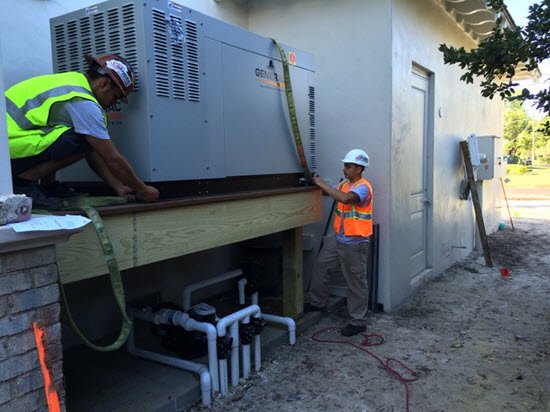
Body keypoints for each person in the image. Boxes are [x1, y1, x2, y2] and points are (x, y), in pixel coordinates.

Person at [6, 53, 159, 209]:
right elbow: (112, 159)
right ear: (105, 83)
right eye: (116, 97)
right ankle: (23, 184)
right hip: (7, 154)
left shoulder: (73, 81)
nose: (114, 103)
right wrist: (143, 190)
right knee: (81, 138)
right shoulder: (84, 103)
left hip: (9, 147)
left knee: (76, 135)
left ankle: (48, 185)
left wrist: (118, 187)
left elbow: (92, 149)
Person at [307, 149, 373, 337]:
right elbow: (335, 194)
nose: (344, 169)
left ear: (359, 168)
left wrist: (321, 184)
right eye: (344, 165)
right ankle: (316, 303)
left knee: (355, 282)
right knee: (322, 266)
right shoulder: (344, 184)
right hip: (338, 238)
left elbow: (345, 199)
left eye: (348, 166)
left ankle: (357, 321)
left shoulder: (363, 187)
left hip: (355, 242)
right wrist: (316, 185)